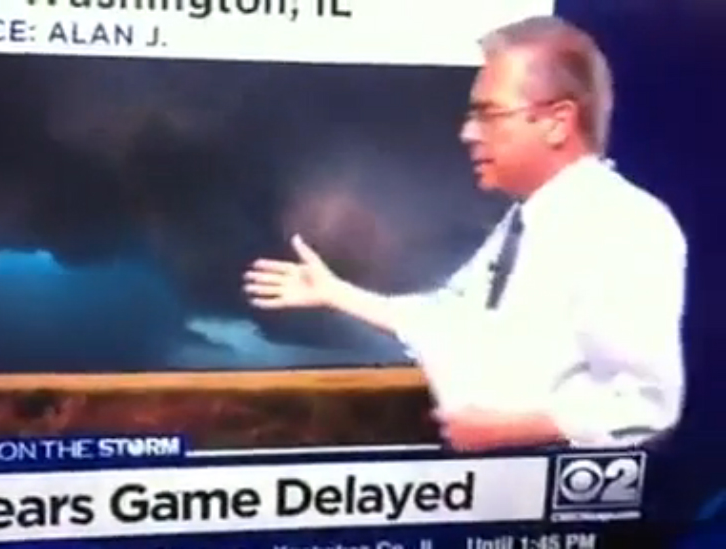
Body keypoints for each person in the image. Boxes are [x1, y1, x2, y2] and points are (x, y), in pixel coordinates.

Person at [242, 15, 687, 451]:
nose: (468, 133)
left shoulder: (622, 227)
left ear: (557, 122)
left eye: (488, 115)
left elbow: (646, 403)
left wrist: (515, 431)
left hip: (548, 488)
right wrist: (336, 293)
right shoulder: (526, 222)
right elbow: (452, 320)